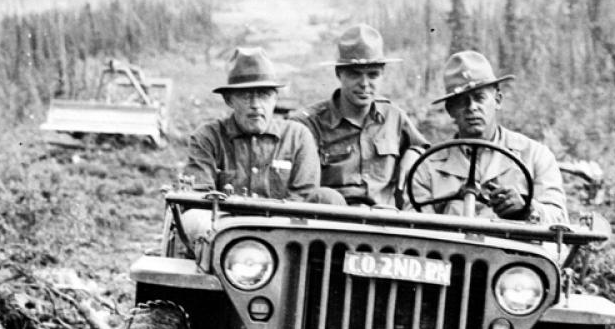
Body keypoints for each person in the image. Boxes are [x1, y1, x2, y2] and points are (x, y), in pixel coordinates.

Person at [180, 47, 343, 241]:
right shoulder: (208, 137)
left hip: (285, 237)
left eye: (264, 95)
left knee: (329, 199)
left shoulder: (297, 136)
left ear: (275, 98)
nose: (255, 104)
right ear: (229, 99)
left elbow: (304, 198)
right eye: (246, 95)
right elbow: (199, 199)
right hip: (225, 239)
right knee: (191, 219)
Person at [408, 50, 567, 224]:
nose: (472, 108)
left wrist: (527, 209)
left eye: (479, 98)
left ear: (497, 100)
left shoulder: (534, 156)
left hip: (516, 249)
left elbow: (559, 220)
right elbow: (415, 225)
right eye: (462, 101)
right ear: (450, 110)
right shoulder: (427, 167)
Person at [291, 24, 429, 207]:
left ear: (382, 75)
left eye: (373, 75)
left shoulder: (393, 117)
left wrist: (413, 153)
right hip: (331, 222)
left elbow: (424, 149)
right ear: (339, 74)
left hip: (384, 221)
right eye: (355, 75)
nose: (364, 84)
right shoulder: (309, 124)